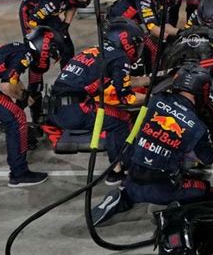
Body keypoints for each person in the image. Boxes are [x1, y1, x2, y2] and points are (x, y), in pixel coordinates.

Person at [91, 64, 213, 226]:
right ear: (202, 91)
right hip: (163, 187)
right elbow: (207, 159)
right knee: (204, 188)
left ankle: (124, 197)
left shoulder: (154, 100)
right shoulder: (198, 126)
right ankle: (174, 208)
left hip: (132, 177)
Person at [49, 18, 147, 185]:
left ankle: (116, 168)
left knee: (111, 117)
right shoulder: (119, 57)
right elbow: (127, 97)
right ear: (127, 41)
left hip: (57, 107)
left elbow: (121, 81)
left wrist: (147, 81)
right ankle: (123, 170)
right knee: (121, 118)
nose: (138, 48)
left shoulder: (97, 50)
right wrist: (154, 98)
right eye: (136, 43)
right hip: (74, 110)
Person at [19, 0, 102, 122]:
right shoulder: (52, 0)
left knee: (66, 47)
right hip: (33, 14)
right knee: (39, 55)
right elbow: (34, 23)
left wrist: (64, 26)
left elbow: (72, 5)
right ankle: (35, 97)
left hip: (52, 14)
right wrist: (46, 42)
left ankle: (68, 81)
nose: (85, 0)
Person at [0, 27, 65, 186]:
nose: (52, 60)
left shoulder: (20, 50)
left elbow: (12, 79)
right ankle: (19, 174)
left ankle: (19, 138)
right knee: (16, 117)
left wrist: (25, 97)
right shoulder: (25, 56)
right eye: (53, 56)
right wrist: (25, 98)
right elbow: (7, 86)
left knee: (6, 108)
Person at [107, 0, 185, 68]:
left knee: (159, 43)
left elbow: (164, 26)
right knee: (153, 47)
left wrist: (182, 33)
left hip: (133, 25)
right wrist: (172, 38)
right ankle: (152, 74)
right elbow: (152, 28)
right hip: (116, 28)